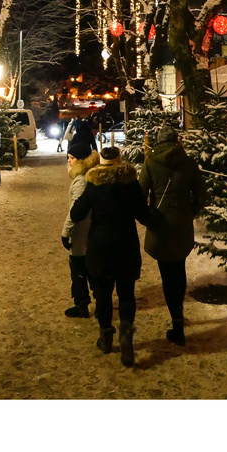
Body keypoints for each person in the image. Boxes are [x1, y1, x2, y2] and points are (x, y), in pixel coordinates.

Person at [70, 146, 150, 367]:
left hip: (100, 245)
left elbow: (76, 213)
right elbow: (143, 214)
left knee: (103, 293)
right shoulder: (131, 184)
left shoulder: (93, 184)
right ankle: (126, 335)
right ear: (119, 160)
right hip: (126, 243)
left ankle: (106, 336)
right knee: (126, 293)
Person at [138, 124, 208, 346]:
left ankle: (176, 321)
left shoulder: (150, 161)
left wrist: (148, 215)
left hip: (160, 223)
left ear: (158, 141)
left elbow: (140, 194)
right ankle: (178, 318)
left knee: (167, 272)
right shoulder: (188, 162)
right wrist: (189, 212)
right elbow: (202, 194)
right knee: (179, 268)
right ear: (177, 140)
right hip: (181, 223)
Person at [60, 142, 101, 317]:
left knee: (79, 270)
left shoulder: (81, 181)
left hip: (81, 234)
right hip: (89, 233)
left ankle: (82, 305)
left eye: (72, 158)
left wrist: (65, 232)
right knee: (92, 270)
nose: (69, 161)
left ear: (81, 161)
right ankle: (99, 303)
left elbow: (75, 211)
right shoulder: (89, 176)